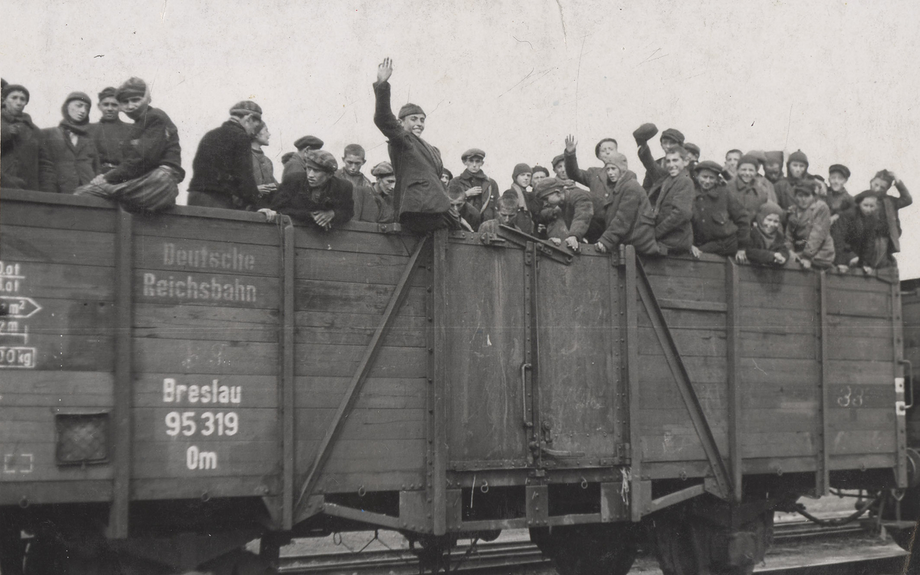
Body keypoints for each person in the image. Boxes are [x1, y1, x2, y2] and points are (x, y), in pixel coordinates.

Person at [75, 77, 184, 212]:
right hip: (153, 181)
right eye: (125, 102)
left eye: (135, 100)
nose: (130, 106)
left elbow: (142, 159)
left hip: (159, 180)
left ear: (146, 99)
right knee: (99, 195)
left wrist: (106, 178)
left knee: (84, 193)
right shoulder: (138, 125)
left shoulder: (155, 117)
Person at [373, 57, 455, 232]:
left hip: (435, 206)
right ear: (401, 123)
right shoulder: (403, 140)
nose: (419, 124)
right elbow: (383, 118)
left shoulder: (430, 149)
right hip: (417, 208)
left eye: (422, 120)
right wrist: (382, 84)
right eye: (414, 119)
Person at [186, 100, 263, 210]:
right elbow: (244, 175)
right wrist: (258, 205)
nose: (253, 132)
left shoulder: (211, 134)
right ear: (249, 118)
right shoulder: (241, 136)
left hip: (195, 195)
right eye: (255, 127)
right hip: (216, 199)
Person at [260, 150, 354, 228]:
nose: (310, 175)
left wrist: (333, 214)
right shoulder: (293, 181)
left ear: (329, 175)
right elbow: (277, 208)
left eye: (316, 171)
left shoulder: (343, 187)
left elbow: (349, 212)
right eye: (309, 169)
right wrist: (308, 215)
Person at [591, 152, 660, 256]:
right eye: (608, 169)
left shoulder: (631, 187)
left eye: (613, 169)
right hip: (628, 241)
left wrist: (606, 241)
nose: (610, 173)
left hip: (638, 243)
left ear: (622, 169)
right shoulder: (618, 188)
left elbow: (623, 219)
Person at [563, 134, 624, 242]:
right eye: (604, 150)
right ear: (599, 156)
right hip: (597, 222)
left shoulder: (625, 174)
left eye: (611, 149)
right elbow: (574, 174)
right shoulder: (594, 173)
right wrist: (570, 154)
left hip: (616, 221)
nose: (607, 152)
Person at [39, 91, 99, 194]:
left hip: (87, 193)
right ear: (66, 107)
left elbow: (97, 168)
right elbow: (45, 167)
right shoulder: (49, 134)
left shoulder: (89, 139)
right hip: (60, 192)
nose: (83, 111)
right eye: (79, 106)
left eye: (87, 108)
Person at [690, 161, 751, 260]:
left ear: (717, 179)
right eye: (704, 177)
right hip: (701, 244)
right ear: (697, 177)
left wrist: (742, 248)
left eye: (711, 178)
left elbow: (743, 219)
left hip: (725, 243)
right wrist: (690, 244)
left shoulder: (725, 194)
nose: (707, 181)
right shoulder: (691, 194)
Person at [647, 146, 694, 254]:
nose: (671, 165)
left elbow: (680, 214)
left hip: (675, 240)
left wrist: (655, 233)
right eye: (668, 161)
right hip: (666, 237)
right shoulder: (668, 180)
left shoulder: (685, 181)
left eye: (675, 160)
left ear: (685, 162)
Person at [837, 191, 894, 274]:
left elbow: (869, 243)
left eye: (872, 206)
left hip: (856, 257)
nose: (868, 209)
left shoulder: (872, 219)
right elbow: (838, 239)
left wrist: (866, 264)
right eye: (865, 205)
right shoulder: (848, 216)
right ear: (859, 204)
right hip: (841, 254)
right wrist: (843, 260)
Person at [534, 176, 593, 252]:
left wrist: (573, 236)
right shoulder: (563, 205)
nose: (545, 203)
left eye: (546, 199)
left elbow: (582, 217)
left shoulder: (578, 196)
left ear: (558, 193)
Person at [1, 83, 42, 190]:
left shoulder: (34, 130)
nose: (18, 102)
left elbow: (44, 164)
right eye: (14, 98)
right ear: (4, 100)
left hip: (26, 190)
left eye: (22, 99)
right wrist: (5, 133)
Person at [785, 182, 834, 269]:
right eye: (800, 195)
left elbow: (817, 235)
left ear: (813, 196)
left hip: (820, 255)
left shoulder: (821, 208)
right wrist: (790, 251)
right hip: (799, 255)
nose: (803, 199)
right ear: (795, 196)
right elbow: (788, 235)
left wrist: (807, 256)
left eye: (807, 196)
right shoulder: (793, 211)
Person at [447, 148, 501, 226]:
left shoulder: (491, 183)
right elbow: (450, 206)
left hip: (486, 226)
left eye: (477, 161)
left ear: (482, 163)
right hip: (463, 226)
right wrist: (466, 194)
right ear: (464, 162)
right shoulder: (455, 182)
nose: (474, 165)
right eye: (471, 161)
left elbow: (497, 207)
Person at [86, 87, 133, 174]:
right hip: (97, 176)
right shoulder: (89, 129)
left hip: (124, 175)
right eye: (106, 104)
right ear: (99, 106)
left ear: (120, 107)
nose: (110, 108)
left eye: (114, 105)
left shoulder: (131, 129)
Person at [869, 169, 912, 257]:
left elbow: (907, 199)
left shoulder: (891, 202)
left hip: (884, 241)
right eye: (876, 185)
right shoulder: (860, 199)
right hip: (865, 240)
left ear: (887, 189)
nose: (877, 189)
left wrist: (898, 181)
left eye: (882, 187)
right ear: (871, 182)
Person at [635, 123, 685, 190]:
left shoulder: (686, 163)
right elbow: (646, 188)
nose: (668, 146)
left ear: (681, 145)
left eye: (672, 143)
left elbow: (663, 177)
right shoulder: (658, 163)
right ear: (661, 145)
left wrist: (644, 147)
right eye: (665, 142)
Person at [747, 201, 788, 267]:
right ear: (761, 218)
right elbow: (750, 252)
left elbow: (784, 250)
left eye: (776, 221)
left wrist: (782, 257)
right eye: (769, 220)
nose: (771, 224)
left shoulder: (779, 237)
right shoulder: (753, 233)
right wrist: (772, 255)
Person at [500, 163, 536, 235]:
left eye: (528, 175)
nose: (526, 178)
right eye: (522, 175)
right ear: (515, 177)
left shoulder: (527, 195)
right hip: (515, 233)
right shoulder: (510, 193)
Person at [250, 122, 278, 209]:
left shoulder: (267, 161)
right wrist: (254, 190)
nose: (269, 134)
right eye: (266, 130)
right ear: (255, 134)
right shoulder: (242, 158)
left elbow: (274, 184)